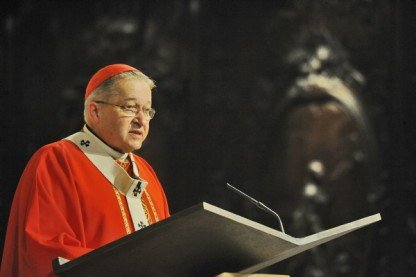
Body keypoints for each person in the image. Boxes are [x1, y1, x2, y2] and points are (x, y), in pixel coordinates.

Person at [0, 64, 170, 276]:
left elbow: (167, 250)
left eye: (147, 110)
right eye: (129, 107)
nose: (141, 120)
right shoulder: (56, 160)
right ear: (95, 111)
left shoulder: (146, 172)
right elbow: (47, 251)